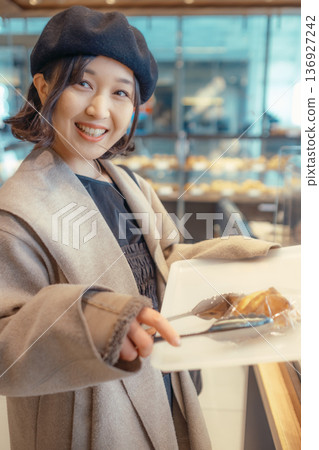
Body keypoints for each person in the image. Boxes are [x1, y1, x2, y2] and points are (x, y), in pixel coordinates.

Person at [0, 6, 279, 450]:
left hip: (158, 382)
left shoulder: (130, 184)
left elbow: (164, 260)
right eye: (82, 83)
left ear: (135, 107)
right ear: (42, 86)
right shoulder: (16, 211)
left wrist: (235, 260)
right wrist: (96, 320)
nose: (99, 108)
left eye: (121, 93)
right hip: (89, 416)